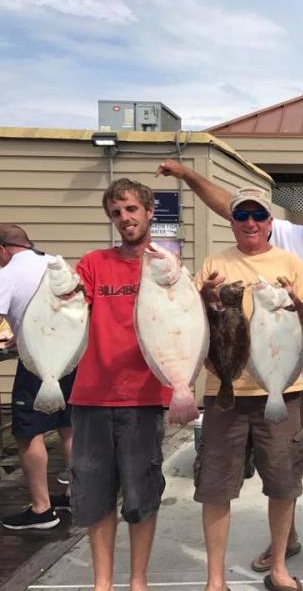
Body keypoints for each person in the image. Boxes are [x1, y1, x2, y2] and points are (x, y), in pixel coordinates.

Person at [156, 160, 303, 576]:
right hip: (280, 379)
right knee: (278, 474)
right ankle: (281, 544)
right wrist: (187, 174)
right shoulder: (288, 236)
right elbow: (229, 205)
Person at [193, 186, 303, 591]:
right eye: (241, 215)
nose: (250, 222)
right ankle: (215, 579)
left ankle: (279, 567)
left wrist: (298, 305)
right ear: (231, 222)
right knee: (216, 487)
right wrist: (204, 298)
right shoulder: (214, 264)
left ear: (270, 223)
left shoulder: (291, 264)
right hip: (224, 391)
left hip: (282, 390)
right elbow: (193, 323)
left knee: (283, 484)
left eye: (258, 215)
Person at [69, 178, 173, 591]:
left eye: (131, 209)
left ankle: (138, 582)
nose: (124, 218)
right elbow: (69, 308)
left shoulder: (166, 265)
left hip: (144, 396)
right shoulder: (93, 263)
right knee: (95, 495)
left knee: (141, 494)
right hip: (91, 397)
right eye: (116, 212)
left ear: (149, 211)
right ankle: (102, 584)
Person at [0, 225, 72, 531]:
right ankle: (76, 495)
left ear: (2, 249)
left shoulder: (7, 273)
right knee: (69, 425)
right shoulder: (56, 263)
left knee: (28, 431)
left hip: (38, 362)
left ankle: (42, 510)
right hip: (72, 357)